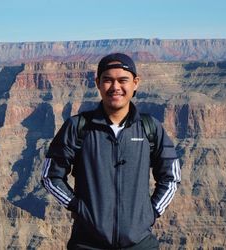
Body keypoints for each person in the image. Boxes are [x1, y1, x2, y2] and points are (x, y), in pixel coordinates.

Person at [41, 53, 181, 249]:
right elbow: (50, 176)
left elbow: (171, 177)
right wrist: (77, 207)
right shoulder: (78, 127)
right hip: (88, 244)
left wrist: (151, 212)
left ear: (135, 83)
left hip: (139, 244)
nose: (115, 87)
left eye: (123, 80)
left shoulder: (150, 128)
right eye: (108, 80)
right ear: (98, 83)